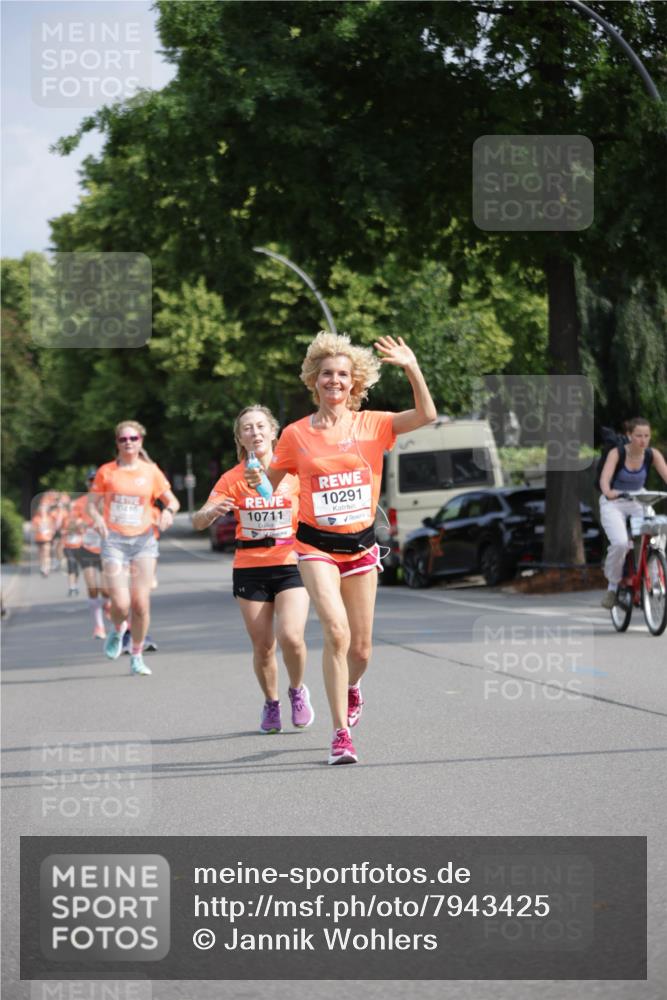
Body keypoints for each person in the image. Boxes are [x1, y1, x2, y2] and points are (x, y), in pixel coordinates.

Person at [252, 332, 436, 765]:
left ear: (354, 384)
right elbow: (271, 485)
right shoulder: (295, 435)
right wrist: (254, 482)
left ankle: (352, 687)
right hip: (315, 545)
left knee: (362, 648)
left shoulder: (374, 424)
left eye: (343, 375)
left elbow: (427, 414)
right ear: (314, 381)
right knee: (336, 632)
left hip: (361, 547)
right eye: (326, 374)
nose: (334, 381)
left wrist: (412, 367)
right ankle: (340, 736)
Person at [192, 406, 312, 733]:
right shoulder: (232, 479)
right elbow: (198, 520)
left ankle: (297, 691)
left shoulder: (293, 472)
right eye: (247, 428)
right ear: (239, 438)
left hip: (291, 563)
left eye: (261, 426)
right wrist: (212, 511)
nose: (255, 432)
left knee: (291, 636)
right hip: (250, 567)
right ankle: (272, 703)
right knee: (263, 646)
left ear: (274, 432)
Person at [87, 421, 179, 675]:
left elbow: (172, 501)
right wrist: (96, 520)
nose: (128, 442)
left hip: (144, 542)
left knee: (140, 605)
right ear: (117, 443)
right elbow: (92, 505)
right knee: (120, 603)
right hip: (114, 542)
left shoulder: (151, 471)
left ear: (141, 441)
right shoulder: (106, 472)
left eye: (133, 438)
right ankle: (118, 631)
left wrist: (169, 512)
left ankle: (136, 654)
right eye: (123, 439)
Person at [599, 417, 667, 608]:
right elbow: (605, 480)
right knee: (620, 543)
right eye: (638, 436)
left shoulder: (651, 454)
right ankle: (612, 588)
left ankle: (654, 579)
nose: (643, 440)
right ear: (629, 435)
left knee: (659, 533)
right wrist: (609, 492)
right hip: (614, 502)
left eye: (646, 436)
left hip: (639, 499)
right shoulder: (617, 453)